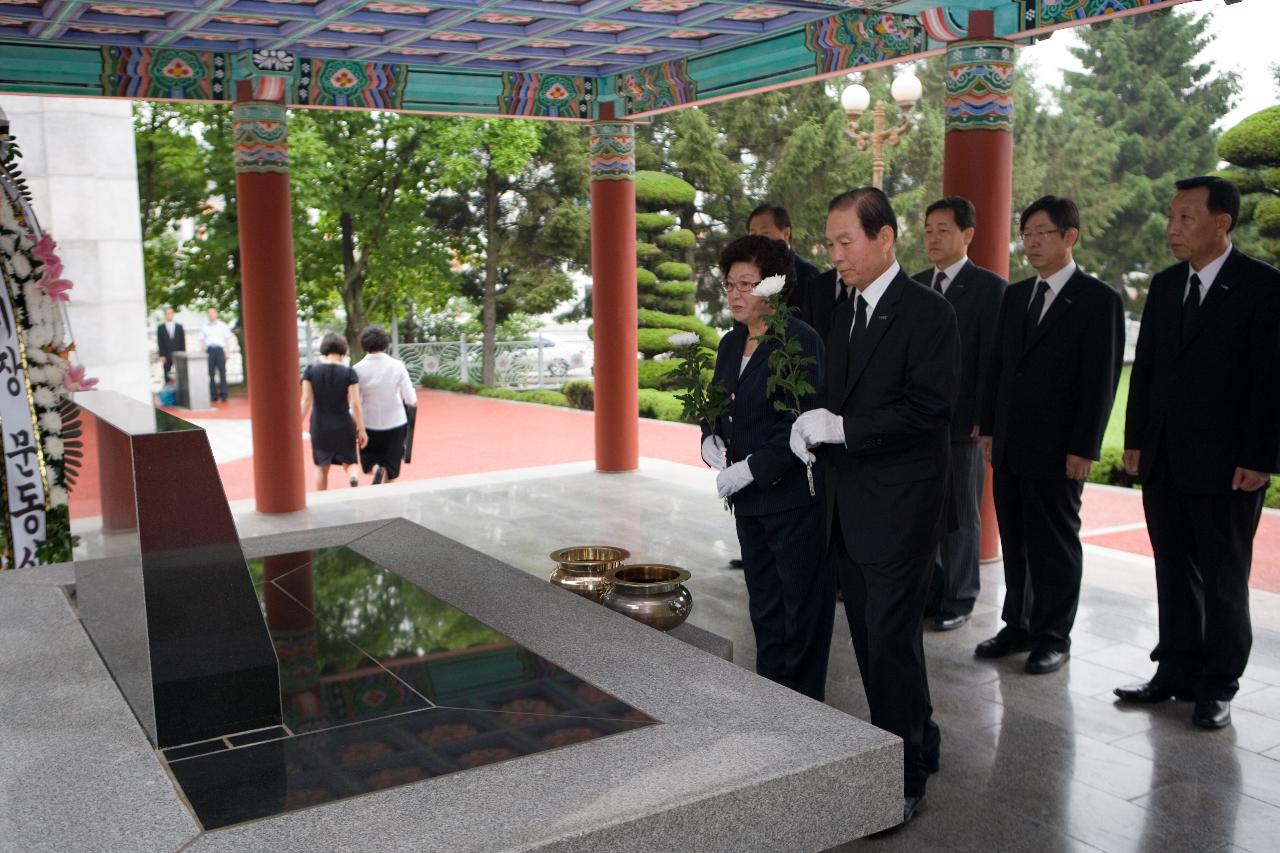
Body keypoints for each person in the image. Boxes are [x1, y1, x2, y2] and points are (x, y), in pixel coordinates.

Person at [790, 187, 959, 825]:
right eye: (829, 245)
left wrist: (844, 430)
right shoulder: (845, 311)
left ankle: (904, 777)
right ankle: (923, 735)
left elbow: (929, 410)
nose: (835, 256)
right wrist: (809, 425)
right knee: (873, 643)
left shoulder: (927, 314)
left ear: (884, 238)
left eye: (845, 243)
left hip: (901, 510)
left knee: (888, 645)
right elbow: (838, 396)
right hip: (848, 508)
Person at [1114, 176, 1280, 730]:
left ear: (1221, 223)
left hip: (1229, 464)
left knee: (1223, 575)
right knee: (1172, 571)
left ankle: (1219, 682)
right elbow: (1149, 374)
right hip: (1165, 458)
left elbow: (1269, 382)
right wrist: (1136, 440)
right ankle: (1176, 670)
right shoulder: (1165, 285)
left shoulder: (1262, 286)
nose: (1172, 228)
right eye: (1170, 216)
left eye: (1186, 218)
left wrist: (1260, 458)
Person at [976, 196, 1124, 674]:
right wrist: (989, 428)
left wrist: (1084, 447)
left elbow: (1099, 381)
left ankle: (1054, 635)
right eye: (1027, 233)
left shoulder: (1099, 300)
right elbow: (996, 367)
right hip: (1012, 444)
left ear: (1069, 236)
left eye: (1042, 232)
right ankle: (1017, 623)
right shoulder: (1016, 295)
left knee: (1054, 544)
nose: (1032, 242)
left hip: (1061, 450)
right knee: (1016, 539)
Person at [704, 234, 832, 701]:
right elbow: (719, 407)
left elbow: (799, 424)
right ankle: (774, 701)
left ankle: (805, 711)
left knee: (803, 613)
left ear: (774, 288)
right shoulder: (728, 343)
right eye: (729, 284)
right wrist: (710, 438)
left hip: (793, 501)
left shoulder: (799, 341)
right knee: (765, 609)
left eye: (747, 284)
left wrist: (751, 469)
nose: (736, 294)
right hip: (750, 504)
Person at [911, 197, 1006, 631]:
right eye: (928, 228)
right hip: (915, 423)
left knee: (960, 515)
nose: (933, 237)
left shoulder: (989, 289)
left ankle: (961, 596)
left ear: (968, 234)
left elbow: (992, 360)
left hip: (962, 423)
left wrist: (984, 417)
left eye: (943, 229)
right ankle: (929, 591)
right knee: (922, 512)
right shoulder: (913, 286)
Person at [300, 332, 367, 491]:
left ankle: (321, 499)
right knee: (350, 462)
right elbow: (355, 403)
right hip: (343, 424)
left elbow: (306, 400)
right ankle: (353, 478)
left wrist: (296, 424)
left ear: (324, 349)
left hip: (319, 425)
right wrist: (361, 429)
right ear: (343, 350)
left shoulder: (311, 371)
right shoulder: (349, 373)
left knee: (321, 466)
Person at [353, 325, 416, 485]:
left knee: (369, 460)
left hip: (369, 423)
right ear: (385, 343)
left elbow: (355, 401)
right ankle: (390, 502)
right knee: (392, 470)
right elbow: (410, 399)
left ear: (364, 344)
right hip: (395, 422)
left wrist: (356, 424)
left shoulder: (357, 369)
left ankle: (375, 470)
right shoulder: (397, 366)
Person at [747, 203, 822, 313]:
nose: (758, 241)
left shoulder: (806, 272)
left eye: (765, 233)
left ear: (786, 233)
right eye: (753, 234)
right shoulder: (748, 272)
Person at [202, 307, 234, 403]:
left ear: (216, 314)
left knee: (222, 373)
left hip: (220, 350)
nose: (211, 315)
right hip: (209, 351)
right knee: (211, 374)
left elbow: (227, 340)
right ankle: (213, 395)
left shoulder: (223, 326)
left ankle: (224, 394)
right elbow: (202, 342)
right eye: (209, 313)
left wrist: (227, 352)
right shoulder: (204, 327)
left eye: (213, 313)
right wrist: (203, 354)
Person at [156, 307, 185, 384]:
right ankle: (168, 392)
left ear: (173, 314)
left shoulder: (179, 327)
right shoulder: (160, 328)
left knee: (181, 374)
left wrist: (183, 354)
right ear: (165, 315)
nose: (169, 315)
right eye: (167, 313)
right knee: (167, 375)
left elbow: (182, 341)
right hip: (166, 355)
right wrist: (161, 355)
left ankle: (180, 392)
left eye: (171, 313)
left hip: (178, 354)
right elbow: (160, 342)